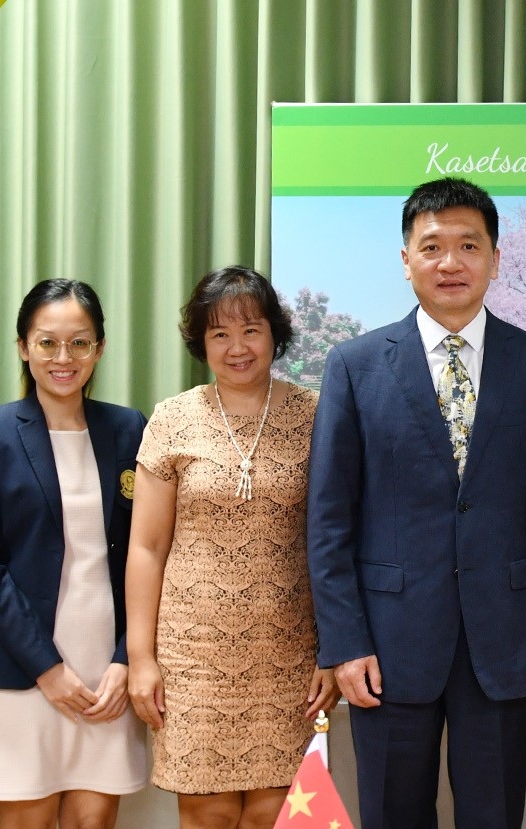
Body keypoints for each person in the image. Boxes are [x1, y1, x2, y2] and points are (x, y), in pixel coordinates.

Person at [306, 177, 526, 829]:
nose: (450, 262)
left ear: (495, 258)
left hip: (505, 637)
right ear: (406, 260)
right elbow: (328, 519)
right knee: (394, 813)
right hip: (387, 643)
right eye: (432, 246)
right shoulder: (355, 365)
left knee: (494, 814)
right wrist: (344, 642)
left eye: (468, 245)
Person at [126, 266, 337, 828]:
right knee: (207, 815)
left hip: (289, 652)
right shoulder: (173, 418)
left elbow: (337, 543)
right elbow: (146, 547)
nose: (237, 346)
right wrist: (141, 658)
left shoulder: (317, 416)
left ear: (276, 334)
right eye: (219, 333)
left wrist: (333, 652)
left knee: (277, 815)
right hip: (192, 655)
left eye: (251, 329)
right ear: (201, 343)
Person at [0, 279, 149, 828]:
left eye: (79, 343)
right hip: (21, 665)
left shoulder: (129, 427)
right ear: (23, 346)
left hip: (105, 668)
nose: (64, 358)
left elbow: (150, 551)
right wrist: (46, 668)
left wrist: (125, 658)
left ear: (100, 348)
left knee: (93, 821)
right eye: (47, 343)